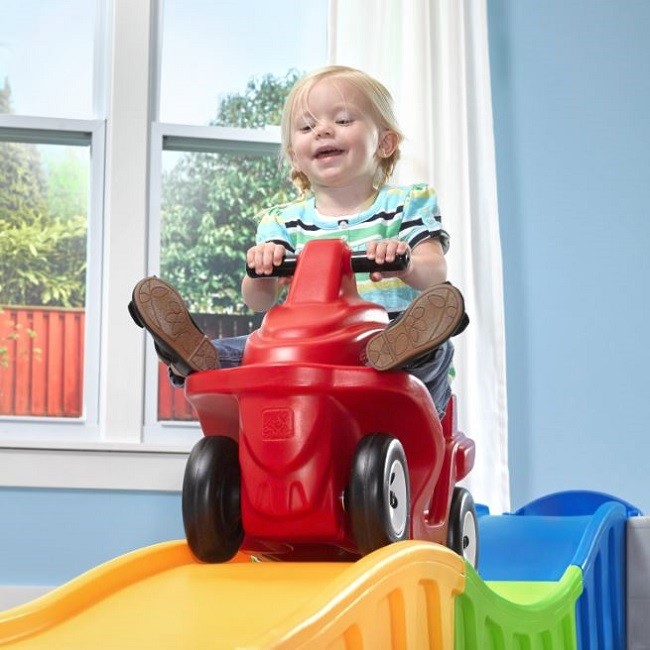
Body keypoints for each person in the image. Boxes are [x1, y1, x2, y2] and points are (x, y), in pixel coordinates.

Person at [129, 65, 468, 418]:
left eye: (343, 120)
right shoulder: (282, 222)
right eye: (307, 127)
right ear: (295, 156)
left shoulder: (407, 204)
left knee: (432, 347)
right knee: (253, 348)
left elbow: (434, 272)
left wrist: (406, 262)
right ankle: (200, 357)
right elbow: (258, 301)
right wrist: (261, 268)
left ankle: (399, 354)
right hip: (307, 350)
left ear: (384, 143)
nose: (323, 130)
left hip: (385, 341)